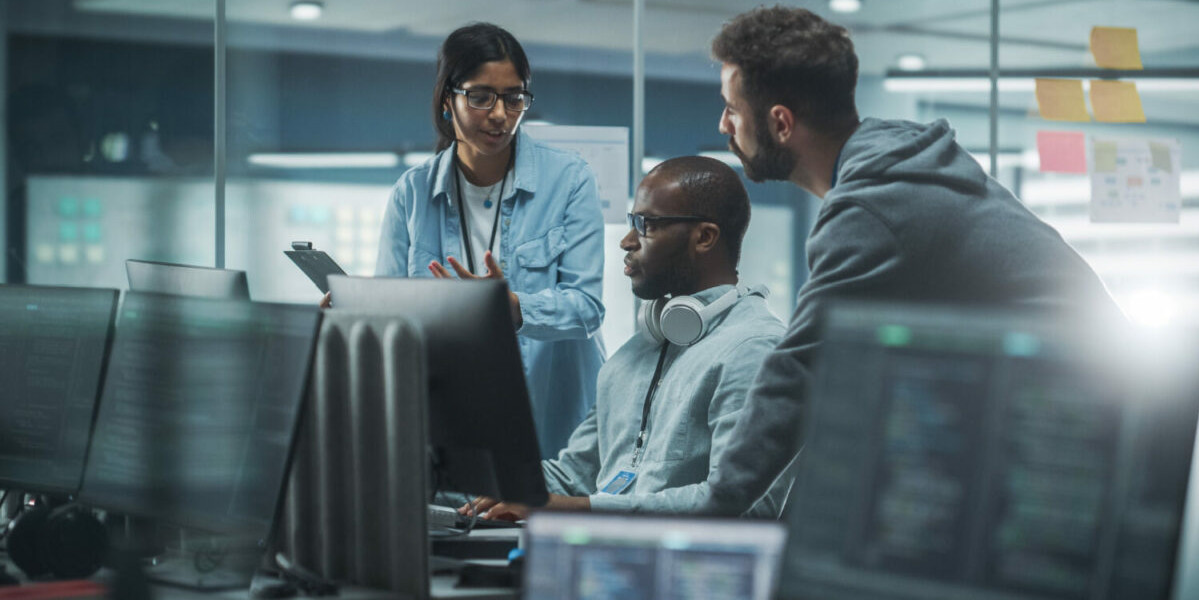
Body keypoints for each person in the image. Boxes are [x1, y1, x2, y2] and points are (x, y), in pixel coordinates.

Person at [703, 6, 1123, 516]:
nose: (722, 123)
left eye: (731, 108)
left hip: (1074, 442)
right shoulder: (894, 162)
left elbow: (797, 374)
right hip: (1068, 419)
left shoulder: (874, 204)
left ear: (781, 123)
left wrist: (713, 514)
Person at [463, 156, 788, 520]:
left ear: (705, 237)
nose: (626, 240)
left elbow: (747, 506)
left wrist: (575, 508)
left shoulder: (755, 350)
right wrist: (486, 482)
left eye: (646, 225)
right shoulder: (634, 354)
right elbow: (573, 477)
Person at [375, 23, 606, 459]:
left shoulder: (570, 180)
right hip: (451, 425)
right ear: (448, 99)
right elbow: (391, 311)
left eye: (515, 97)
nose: (500, 114)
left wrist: (513, 308)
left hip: (553, 431)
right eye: (481, 97)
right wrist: (353, 316)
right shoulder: (411, 193)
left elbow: (587, 309)